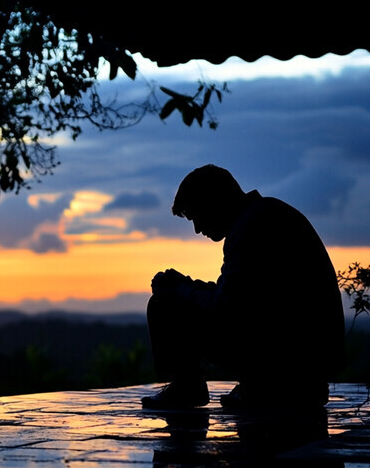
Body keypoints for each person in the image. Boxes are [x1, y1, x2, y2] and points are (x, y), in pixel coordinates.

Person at [143, 165, 345, 410]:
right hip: (310, 353)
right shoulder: (263, 214)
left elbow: (226, 307)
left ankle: (190, 388)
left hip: (296, 355)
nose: (197, 229)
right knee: (177, 295)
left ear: (213, 201)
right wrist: (186, 285)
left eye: (196, 215)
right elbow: (242, 294)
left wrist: (178, 291)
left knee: (164, 305)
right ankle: (265, 384)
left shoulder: (249, 227)